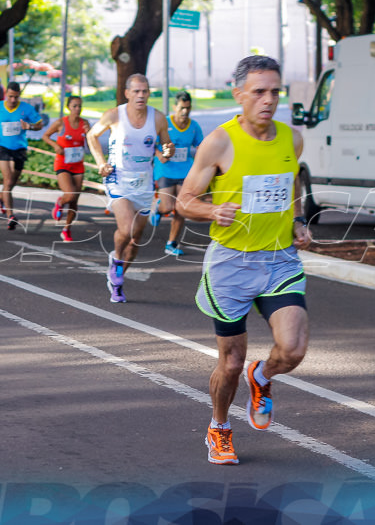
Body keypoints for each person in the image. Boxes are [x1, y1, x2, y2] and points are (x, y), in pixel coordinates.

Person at [175, 55, 312, 466]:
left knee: (293, 349)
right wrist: (212, 211)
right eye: (259, 92)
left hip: (279, 261)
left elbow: (294, 183)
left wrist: (298, 220)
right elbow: (184, 201)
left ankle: (263, 376)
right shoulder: (220, 142)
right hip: (230, 265)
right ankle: (219, 427)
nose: (268, 100)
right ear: (239, 95)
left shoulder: (293, 138)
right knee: (231, 362)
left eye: (275, 91)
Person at [86, 74, 174, 303]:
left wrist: (168, 151)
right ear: (127, 93)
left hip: (144, 183)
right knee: (125, 230)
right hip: (119, 180)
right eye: (136, 91)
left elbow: (166, 145)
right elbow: (92, 135)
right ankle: (115, 261)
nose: (141, 95)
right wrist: (100, 163)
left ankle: (117, 279)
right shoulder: (115, 115)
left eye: (145, 91)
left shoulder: (158, 118)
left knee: (135, 241)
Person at [151, 91, 204, 256]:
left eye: (188, 108)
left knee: (182, 208)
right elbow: (150, 143)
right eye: (181, 108)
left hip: (185, 171)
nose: (184, 112)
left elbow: (201, 147)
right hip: (165, 169)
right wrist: (160, 155)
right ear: (175, 107)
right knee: (168, 206)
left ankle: (171, 243)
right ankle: (158, 209)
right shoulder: (164, 123)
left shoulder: (194, 127)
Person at [0, 81, 44, 230]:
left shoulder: (27, 109)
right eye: (11, 96)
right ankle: (10, 216)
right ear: (7, 94)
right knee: (7, 179)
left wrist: (30, 126)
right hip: (2, 146)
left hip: (19, 147)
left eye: (16, 97)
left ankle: (0, 196)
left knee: (12, 181)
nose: (13, 100)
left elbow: (40, 124)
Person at [44, 95, 90, 242]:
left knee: (75, 200)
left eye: (79, 106)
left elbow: (90, 145)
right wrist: (56, 146)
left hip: (77, 164)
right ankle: (59, 202)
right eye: (74, 106)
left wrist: (89, 133)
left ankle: (66, 229)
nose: (77, 109)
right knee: (69, 195)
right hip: (63, 163)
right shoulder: (61, 123)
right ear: (68, 107)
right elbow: (45, 136)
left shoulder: (85, 123)